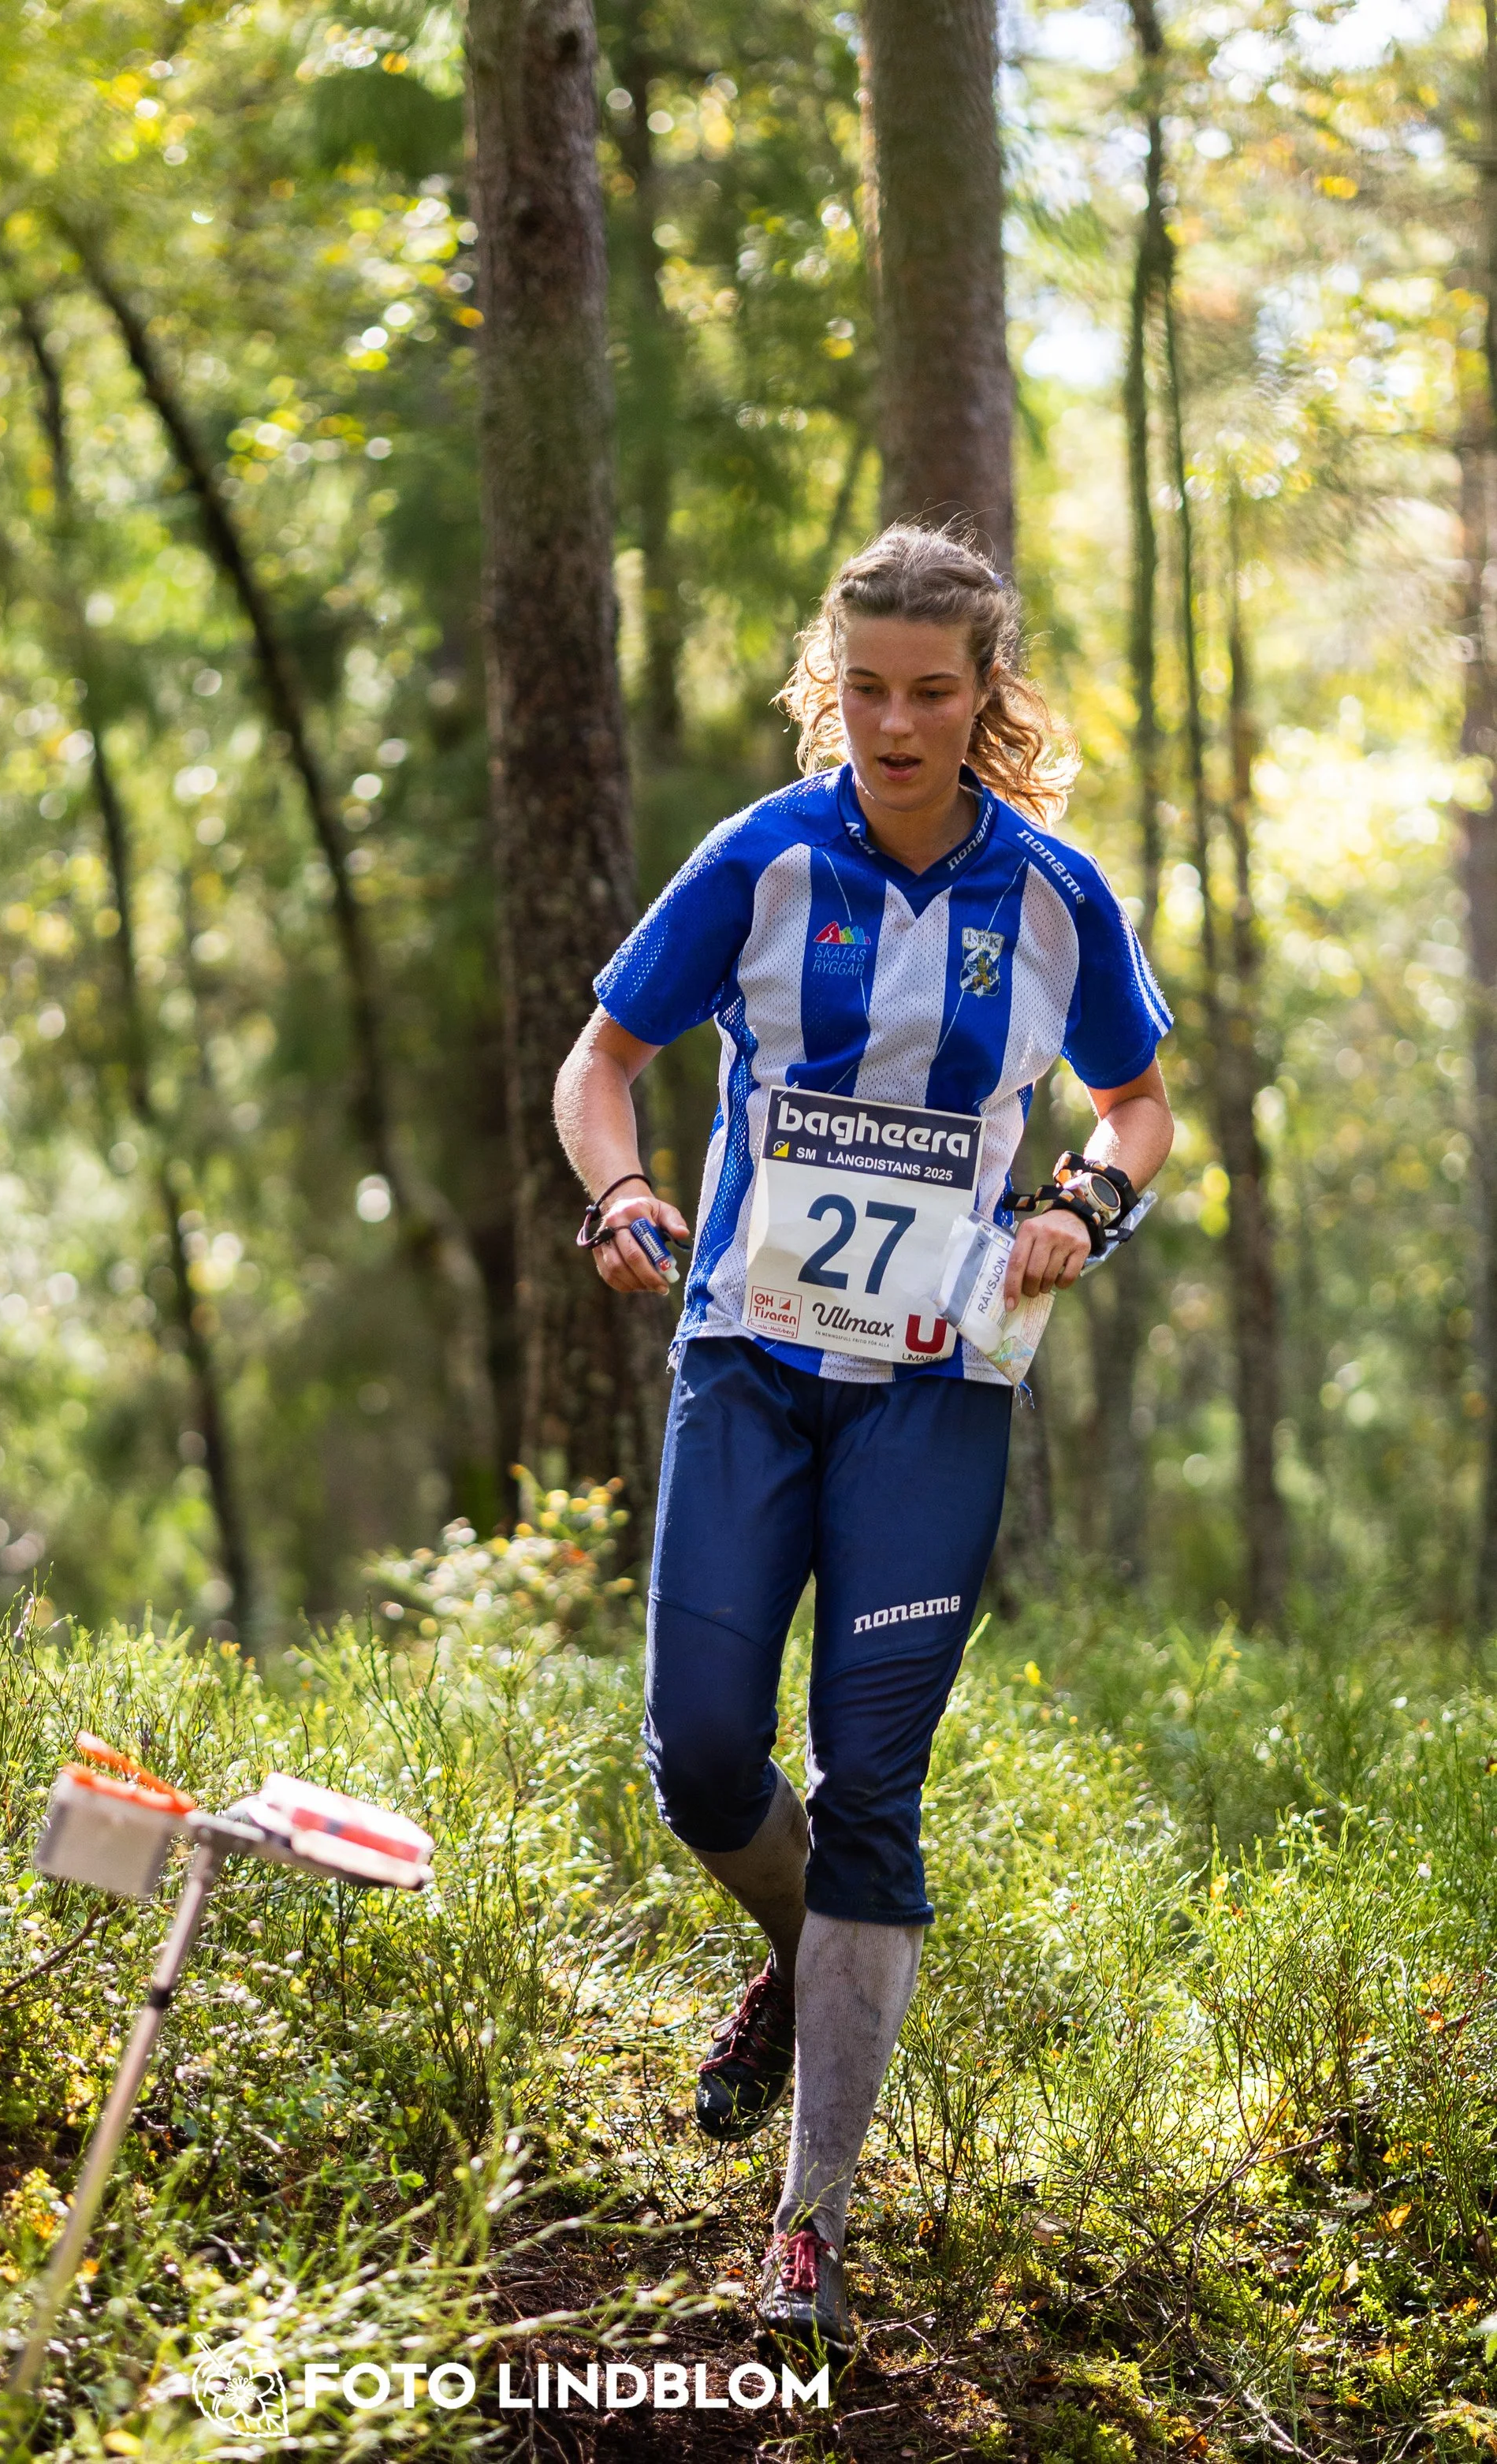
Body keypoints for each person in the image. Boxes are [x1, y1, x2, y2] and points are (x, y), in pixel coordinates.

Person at [553, 524, 1175, 2350]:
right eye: (866, 689)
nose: (895, 725)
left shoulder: (1051, 893)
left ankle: (806, 2232)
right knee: (698, 1756)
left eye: (931, 692)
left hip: (934, 1383)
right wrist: (619, 1193)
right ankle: (798, 1950)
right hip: (748, 1357)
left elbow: (1136, 1104)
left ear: (984, 696)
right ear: (832, 686)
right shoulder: (758, 855)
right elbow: (601, 1062)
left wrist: (1080, 1202)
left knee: (871, 1795)